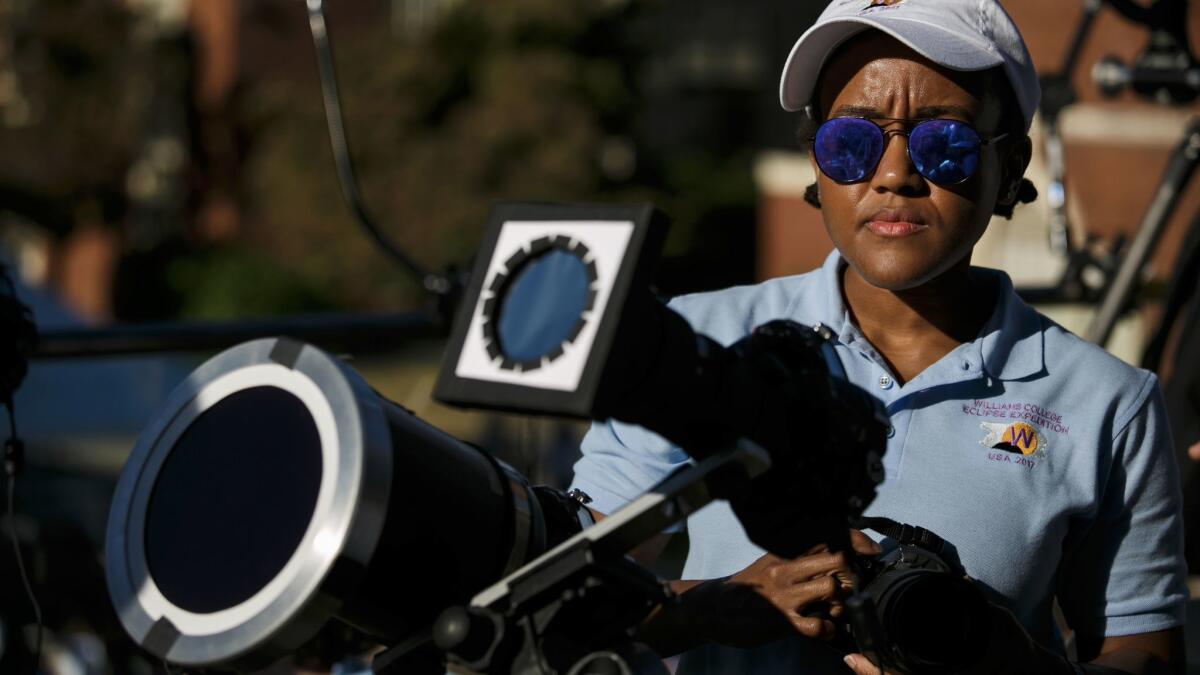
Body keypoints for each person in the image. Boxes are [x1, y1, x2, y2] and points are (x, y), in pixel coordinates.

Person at [567, 1, 1189, 673]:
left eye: (942, 141)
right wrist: (721, 604)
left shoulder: (1109, 402)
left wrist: (1004, 661)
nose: (893, 174)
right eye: (851, 142)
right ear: (814, 157)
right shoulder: (689, 341)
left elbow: (1143, 652)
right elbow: (560, 596)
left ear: (1009, 166)